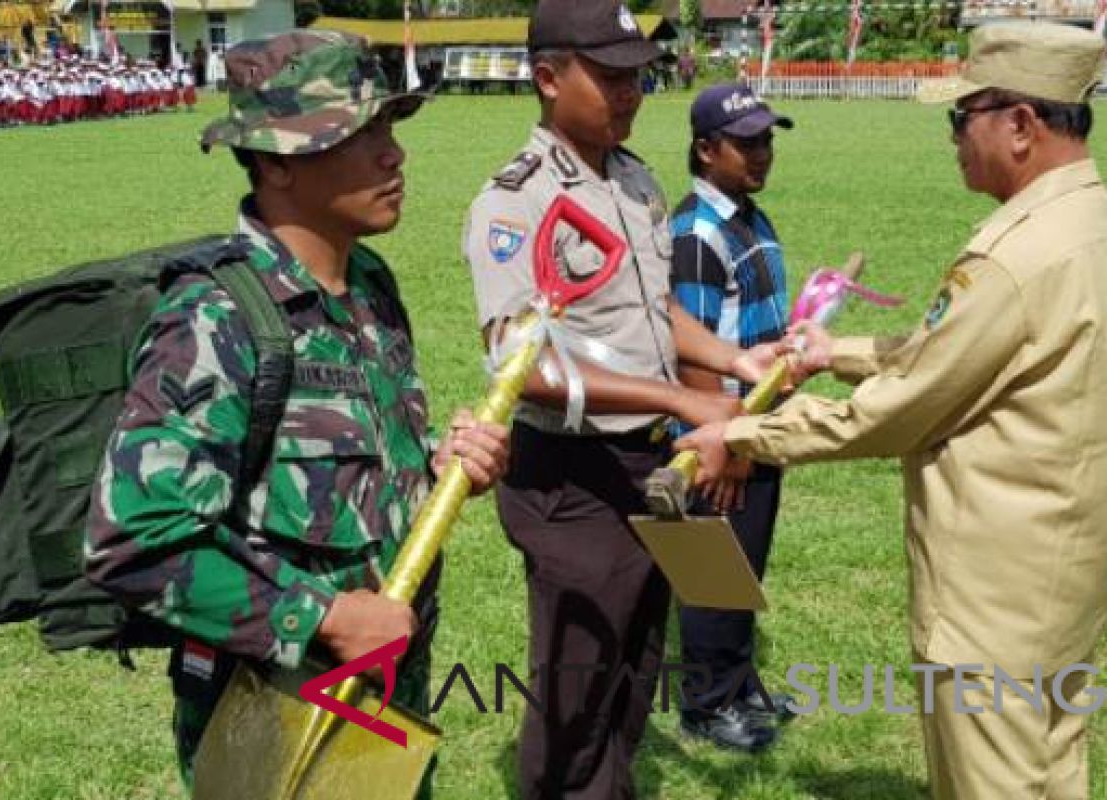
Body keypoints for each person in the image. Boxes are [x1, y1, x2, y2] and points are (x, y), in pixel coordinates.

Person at [676, 21, 1107, 800]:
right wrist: (834, 352)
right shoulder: (1086, 226)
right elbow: (963, 358)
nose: (952, 139)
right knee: (1050, 765)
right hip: (1063, 569)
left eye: (960, 118)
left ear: (1020, 125)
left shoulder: (1014, 257)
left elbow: (894, 411)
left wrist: (743, 432)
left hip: (994, 594)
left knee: (996, 781)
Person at [85, 29, 510, 792]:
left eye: (388, 128)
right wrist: (324, 618)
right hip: (276, 723)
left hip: (386, 711)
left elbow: (353, 473)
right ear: (277, 158)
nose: (394, 154)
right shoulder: (214, 320)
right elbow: (133, 539)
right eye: (361, 132)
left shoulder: (370, 286)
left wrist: (439, 476)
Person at [463, 2, 781, 797]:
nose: (630, 92)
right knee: (577, 686)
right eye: (608, 77)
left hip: (646, 465)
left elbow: (657, 311)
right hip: (571, 475)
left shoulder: (634, 179)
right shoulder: (516, 201)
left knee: (637, 669)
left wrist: (733, 358)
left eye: (637, 75)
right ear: (546, 78)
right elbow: (520, 366)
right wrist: (680, 396)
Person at [670, 82, 795, 752]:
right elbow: (690, 351)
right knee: (713, 571)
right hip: (720, 438)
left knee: (744, 566)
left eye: (767, 139)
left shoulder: (749, 216)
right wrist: (729, 441)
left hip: (761, 423)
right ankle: (706, 703)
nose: (763, 153)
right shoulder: (695, 235)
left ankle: (741, 687)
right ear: (705, 148)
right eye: (747, 142)